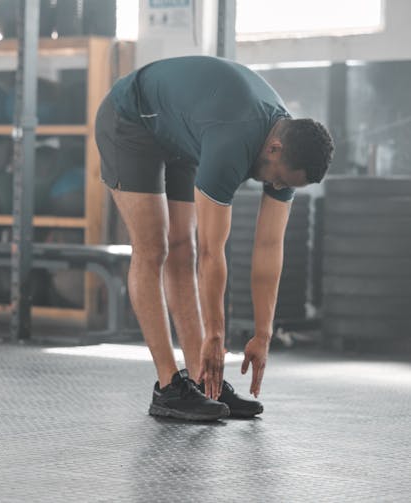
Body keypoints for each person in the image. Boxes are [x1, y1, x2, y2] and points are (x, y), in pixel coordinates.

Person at [95, 55, 334, 421]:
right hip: (132, 120)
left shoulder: (287, 144)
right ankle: (169, 387)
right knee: (154, 247)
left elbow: (269, 247)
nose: (277, 186)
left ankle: (206, 381)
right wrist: (217, 336)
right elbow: (213, 252)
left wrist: (263, 333)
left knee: (182, 247)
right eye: (279, 179)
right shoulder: (232, 143)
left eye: (286, 186)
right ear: (274, 149)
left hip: (183, 130)